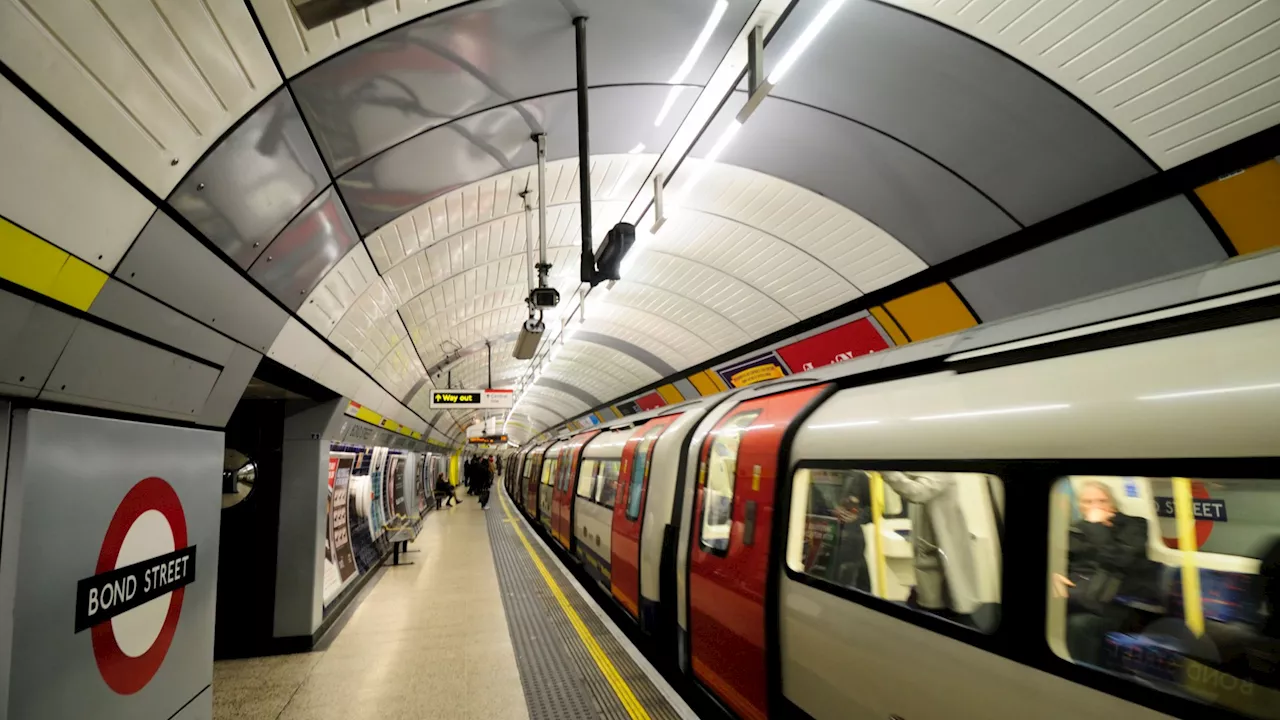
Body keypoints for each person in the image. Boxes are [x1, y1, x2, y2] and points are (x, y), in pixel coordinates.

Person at [1053, 480, 1153, 667]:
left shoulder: (1135, 526)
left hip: (1119, 604)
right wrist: (1055, 575)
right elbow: (1061, 561)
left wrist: (1097, 527)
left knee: (1079, 626)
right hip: (1079, 599)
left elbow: (1120, 560)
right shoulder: (1074, 531)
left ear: (1112, 504)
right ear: (1080, 506)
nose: (1095, 506)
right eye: (1088, 502)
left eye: (1101, 500)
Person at [880, 471, 985, 628]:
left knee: (950, 608)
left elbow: (916, 492)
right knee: (933, 604)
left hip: (944, 553)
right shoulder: (924, 473)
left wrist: (888, 471)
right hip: (932, 554)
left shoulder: (941, 473)